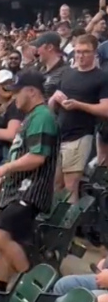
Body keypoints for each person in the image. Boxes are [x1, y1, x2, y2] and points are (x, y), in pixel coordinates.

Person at [0, 70, 59, 290]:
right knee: (6, 242)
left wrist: (4, 169)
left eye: (17, 92)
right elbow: (20, 154)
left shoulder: (42, 116)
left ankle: (35, 286)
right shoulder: (32, 117)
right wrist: (4, 178)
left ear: (31, 91)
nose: (14, 96)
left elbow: (37, 157)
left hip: (30, 191)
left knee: (0, 236)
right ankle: (0, 289)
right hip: (16, 188)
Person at [52, 34, 108, 202]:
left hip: (81, 135)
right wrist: (54, 99)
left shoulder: (101, 77)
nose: (80, 55)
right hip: (60, 134)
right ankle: (57, 225)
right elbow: (52, 107)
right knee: (56, 184)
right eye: (77, 51)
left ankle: (70, 227)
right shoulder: (67, 73)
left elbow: (105, 109)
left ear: (94, 53)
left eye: (85, 52)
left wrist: (79, 105)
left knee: (71, 187)